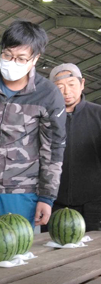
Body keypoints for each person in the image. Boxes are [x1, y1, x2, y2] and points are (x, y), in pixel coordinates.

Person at [0, 20, 66, 227]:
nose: (12, 62)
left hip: (20, 194)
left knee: (14, 253)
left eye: (21, 58)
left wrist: (47, 197)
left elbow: (53, 149)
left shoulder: (48, 95)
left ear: (35, 59)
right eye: (7, 55)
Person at [47, 63, 101, 231]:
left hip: (94, 205)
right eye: (60, 87)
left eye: (72, 85)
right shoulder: (45, 118)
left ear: (82, 84)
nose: (66, 91)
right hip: (55, 203)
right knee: (54, 252)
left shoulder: (98, 114)